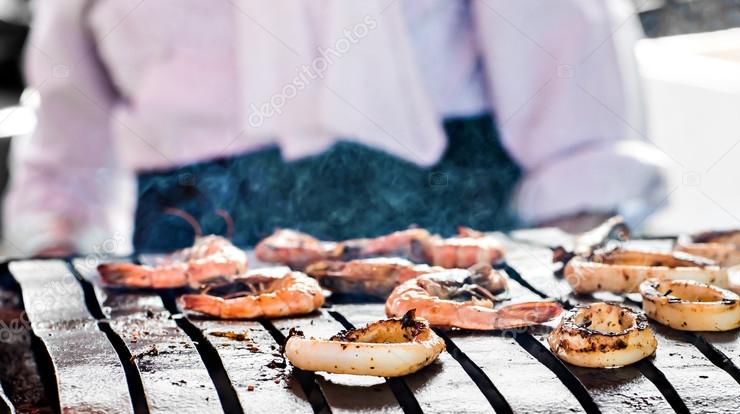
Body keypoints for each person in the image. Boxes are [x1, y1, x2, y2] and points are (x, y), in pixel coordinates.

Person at [1, 0, 668, 256]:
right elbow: (71, 100)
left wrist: (584, 232)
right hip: (195, 224)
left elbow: (560, 38)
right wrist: (55, 235)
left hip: (439, 206)